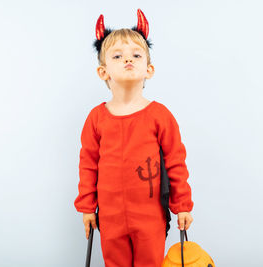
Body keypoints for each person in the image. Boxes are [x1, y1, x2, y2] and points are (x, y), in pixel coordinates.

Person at [74, 9, 194, 267]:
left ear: (149, 69)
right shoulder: (96, 118)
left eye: (136, 55)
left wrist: (182, 205)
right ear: (103, 72)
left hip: (150, 217)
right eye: (117, 56)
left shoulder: (160, 115)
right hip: (110, 216)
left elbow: (176, 162)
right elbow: (87, 164)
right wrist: (87, 207)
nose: (128, 60)